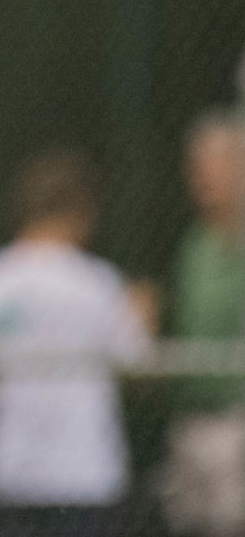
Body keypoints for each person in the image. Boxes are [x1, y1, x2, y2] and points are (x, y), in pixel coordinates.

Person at [0, 150, 150, 537]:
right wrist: (144, 316)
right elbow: (137, 368)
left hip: (9, 472)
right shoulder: (99, 284)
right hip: (86, 474)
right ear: (82, 212)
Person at [162, 109, 245, 537]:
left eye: (214, 165)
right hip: (192, 416)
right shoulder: (193, 244)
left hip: (236, 420)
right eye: (195, 168)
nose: (201, 179)